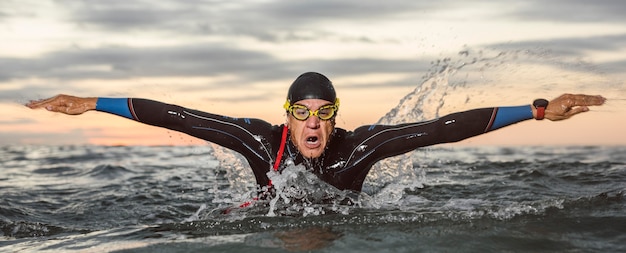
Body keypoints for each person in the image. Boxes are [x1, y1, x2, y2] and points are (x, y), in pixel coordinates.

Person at [26, 72, 606, 195]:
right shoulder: (259, 141)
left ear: (334, 116)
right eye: (300, 112)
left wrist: (535, 110)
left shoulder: (360, 147)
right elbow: (176, 115)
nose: (311, 123)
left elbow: (441, 129)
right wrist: (90, 103)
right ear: (286, 115)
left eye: (322, 113)